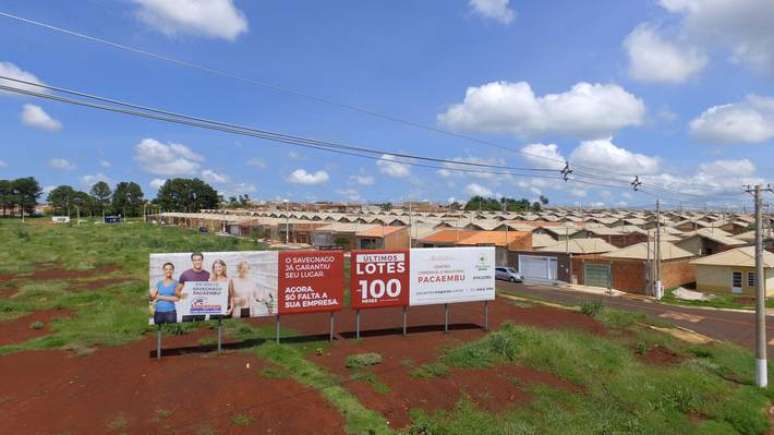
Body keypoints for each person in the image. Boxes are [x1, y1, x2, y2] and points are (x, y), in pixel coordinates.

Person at [178, 252, 210, 322]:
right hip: (187, 308)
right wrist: (184, 297)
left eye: (199, 260)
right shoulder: (185, 274)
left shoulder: (208, 275)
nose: (197, 262)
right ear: (192, 261)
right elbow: (177, 291)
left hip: (201, 308)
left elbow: (210, 291)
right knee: (186, 326)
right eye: (195, 260)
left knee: (200, 327)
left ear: (202, 260)